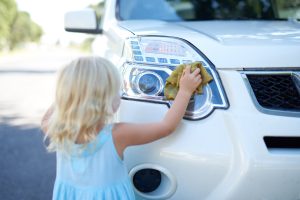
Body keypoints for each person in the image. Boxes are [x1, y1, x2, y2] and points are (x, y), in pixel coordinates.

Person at [41, 56, 202, 200]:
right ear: (103, 101)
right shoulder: (116, 134)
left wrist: (71, 94)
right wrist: (185, 91)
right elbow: (166, 127)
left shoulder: (57, 128)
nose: (121, 95)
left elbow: (48, 117)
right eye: (117, 90)